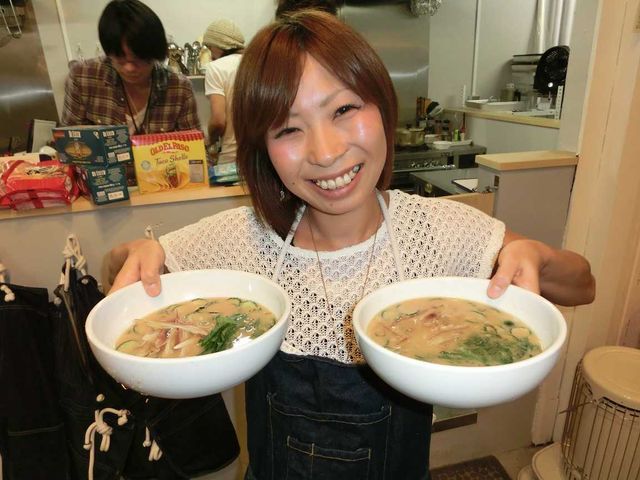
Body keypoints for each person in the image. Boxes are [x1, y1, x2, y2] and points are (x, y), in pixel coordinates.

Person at [109, 10, 595, 479]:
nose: (326, 152)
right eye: (288, 129)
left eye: (343, 110)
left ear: (382, 106)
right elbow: (123, 270)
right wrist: (136, 253)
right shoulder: (243, 239)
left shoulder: (439, 231)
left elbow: (583, 285)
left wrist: (535, 255)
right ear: (264, 149)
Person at [62, 0, 199, 136]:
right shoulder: (83, 77)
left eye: (139, 59)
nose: (130, 68)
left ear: (154, 54)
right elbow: (70, 140)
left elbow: (195, 144)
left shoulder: (179, 88)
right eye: (120, 58)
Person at [202, 19, 245, 165]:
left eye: (209, 47)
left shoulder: (215, 68)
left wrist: (210, 140)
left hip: (231, 158)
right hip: (261, 158)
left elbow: (218, 121)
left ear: (218, 45)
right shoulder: (256, 62)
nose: (210, 54)